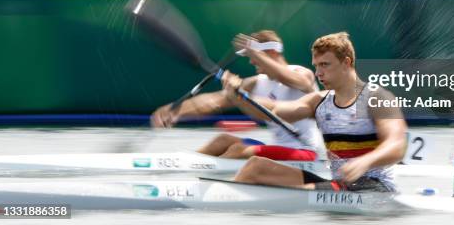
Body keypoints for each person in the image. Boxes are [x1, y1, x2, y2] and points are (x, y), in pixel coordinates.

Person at [223, 32, 407, 192]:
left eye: (325, 65)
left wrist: (365, 162)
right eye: (316, 65)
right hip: (340, 184)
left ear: (346, 63)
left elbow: (397, 145)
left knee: (297, 192)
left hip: (376, 187)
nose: (318, 73)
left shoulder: (377, 97)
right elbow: (273, 111)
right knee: (256, 166)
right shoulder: (318, 101)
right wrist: (239, 96)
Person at [151, 30, 323, 161]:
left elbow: (288, 78)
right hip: (278, 149)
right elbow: (215, 101)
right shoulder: (256, 82)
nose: (251, 61)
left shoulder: (302, 74)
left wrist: (255, 52)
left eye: (253, 56)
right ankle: (186, 166)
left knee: (239, 149)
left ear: (271, 53)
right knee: (223, 140)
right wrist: (175, 112)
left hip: (306, 152)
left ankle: (209, 184)